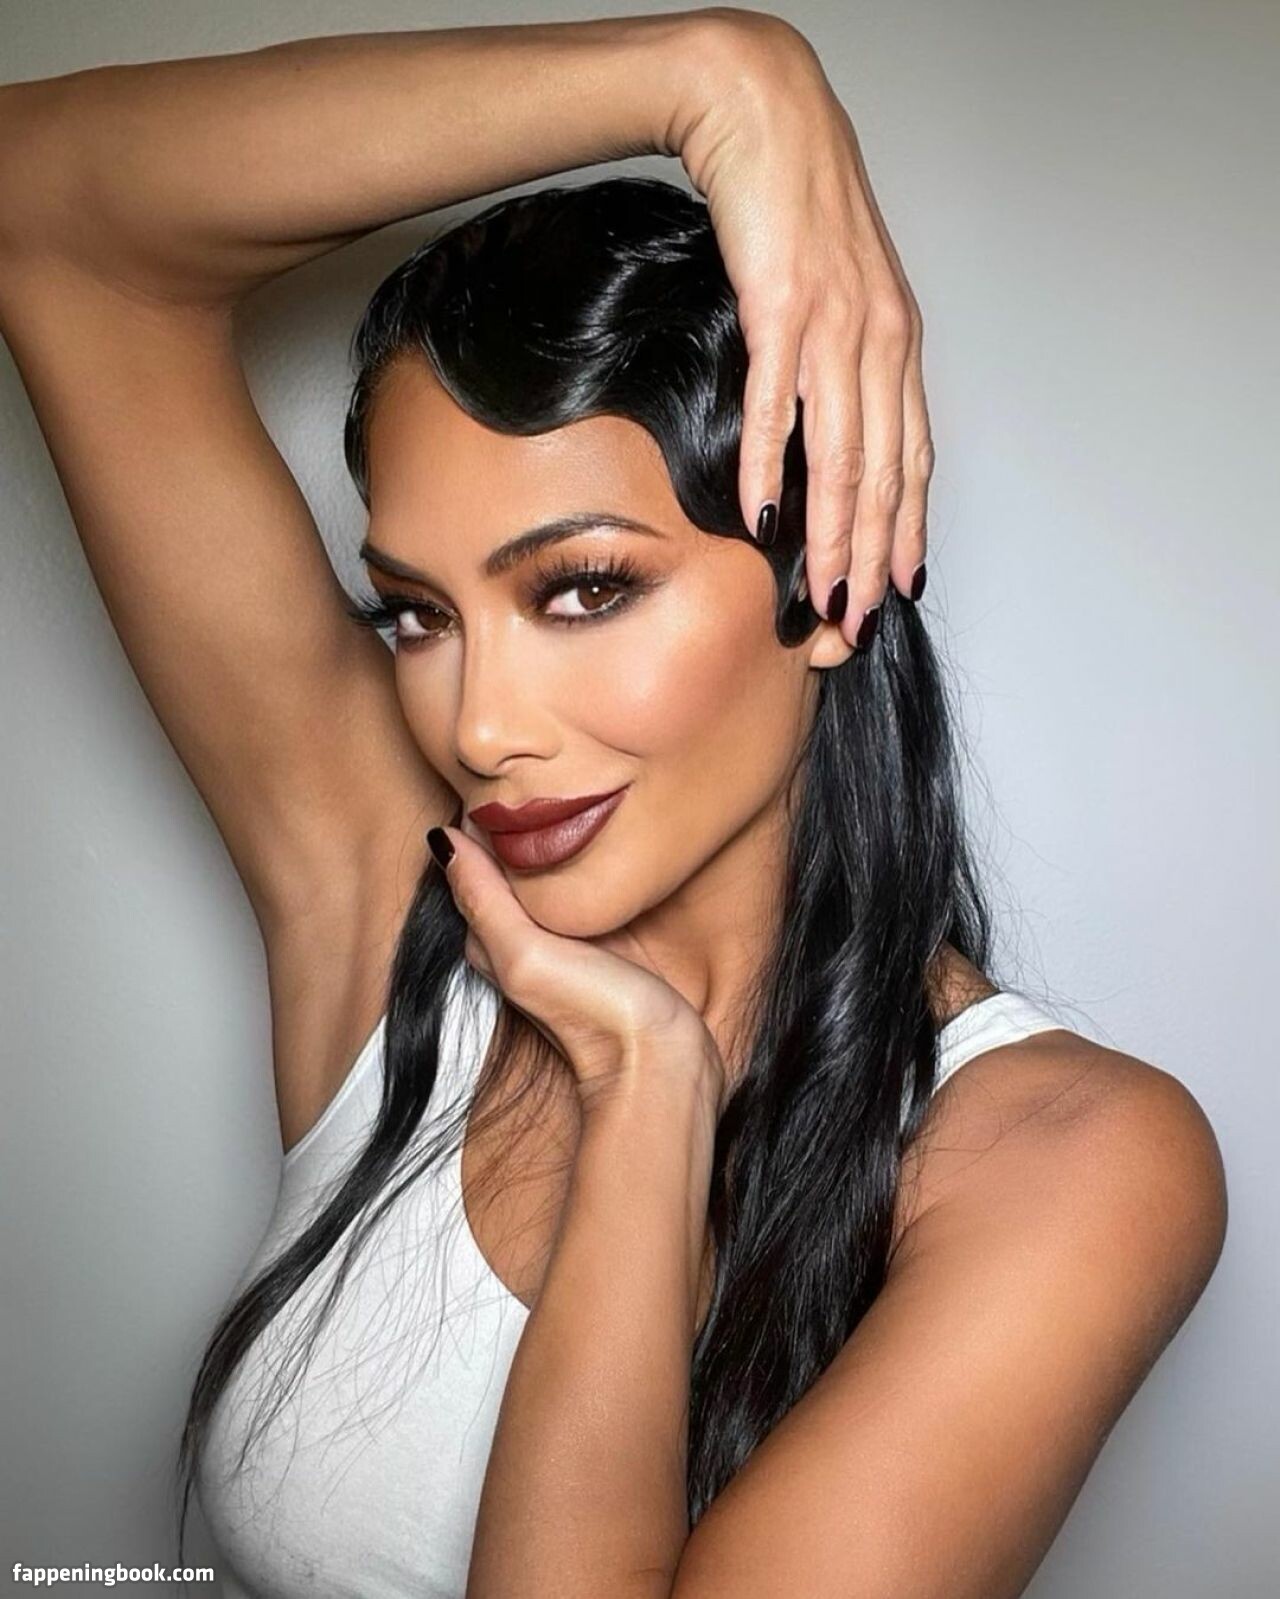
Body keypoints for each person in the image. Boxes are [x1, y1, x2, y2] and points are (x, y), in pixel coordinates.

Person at [0, 13, 1227, 1599]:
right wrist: (711, 78)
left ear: (827, 572)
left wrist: (648, 1096)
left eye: (582, 588)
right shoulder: (393, 904)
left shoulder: (1066, 1156)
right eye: (416, 614)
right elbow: (45, 202)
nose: (478, 728)